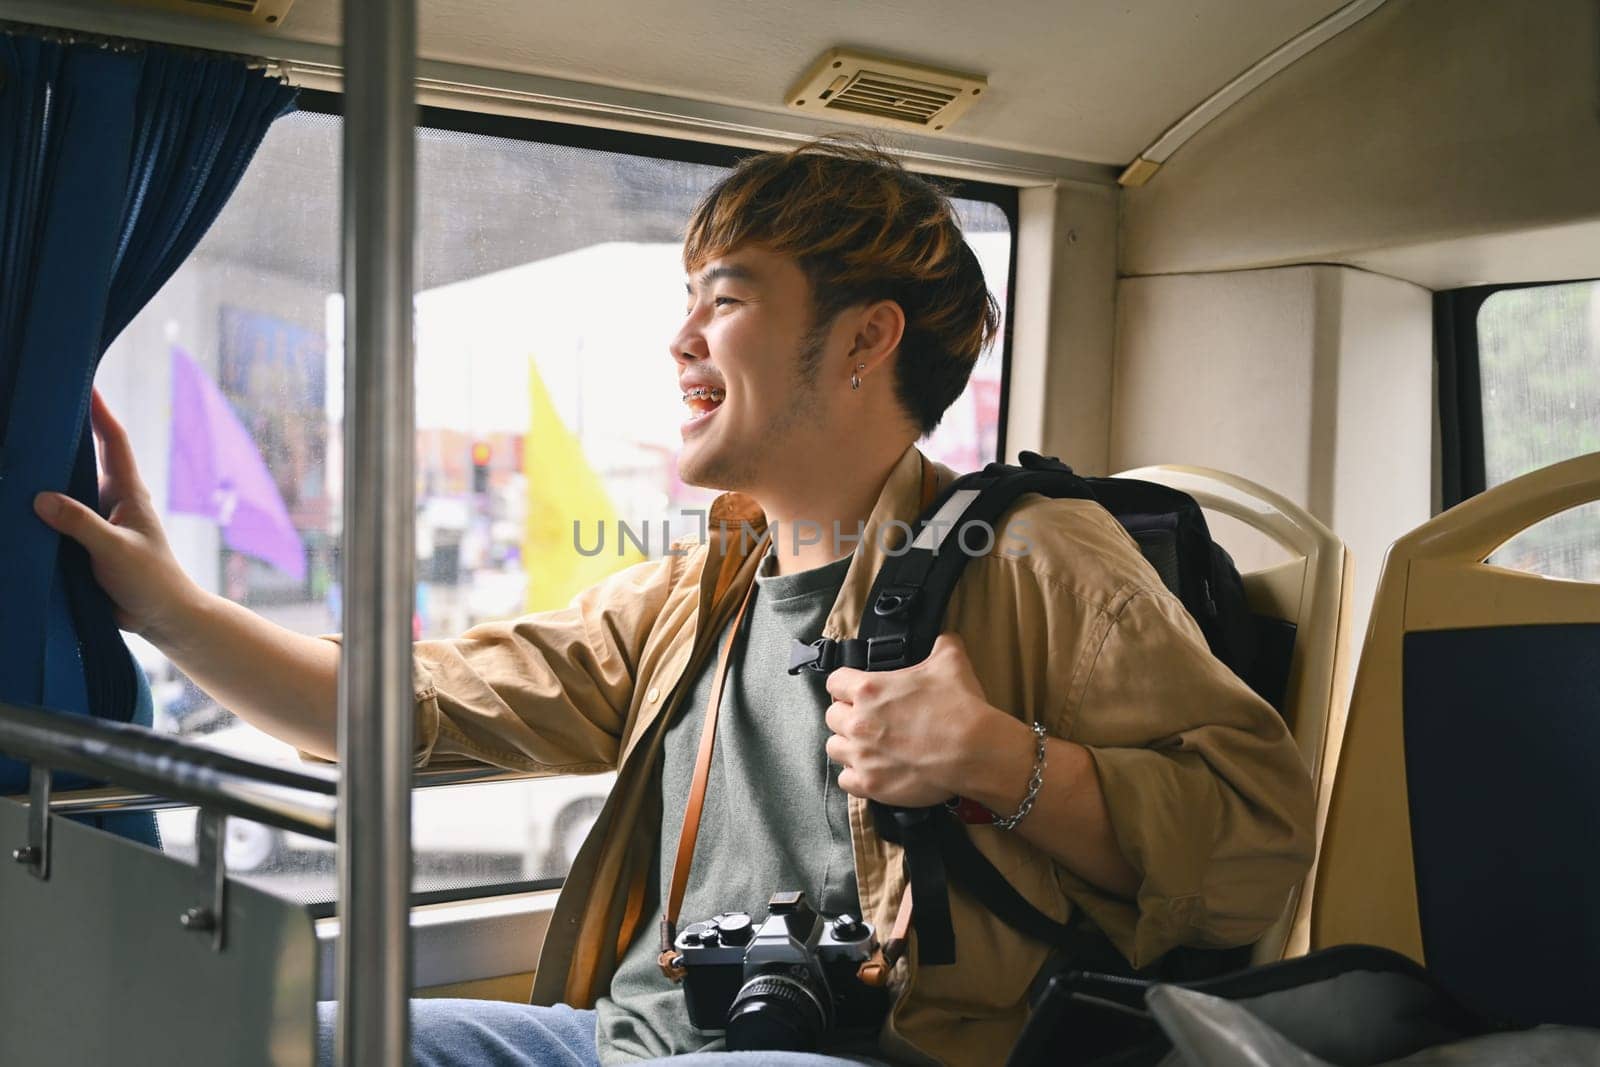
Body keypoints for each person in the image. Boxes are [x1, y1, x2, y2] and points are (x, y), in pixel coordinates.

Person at [35, 140, 1315, 1067]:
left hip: (875, 1055)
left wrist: (1004, 761)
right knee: (224, 1035)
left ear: (865, 341)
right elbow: (399, 708)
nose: (681, 339)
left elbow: (1256, 843)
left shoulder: (1037, 554)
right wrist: (160, 606)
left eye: (727, 295)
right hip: (622, 1043)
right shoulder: (695, 590)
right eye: (687, 298)